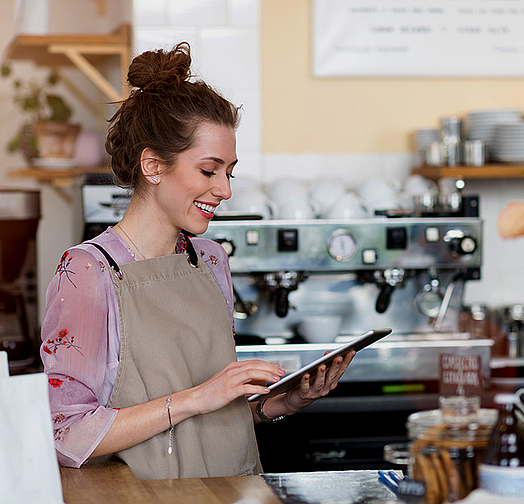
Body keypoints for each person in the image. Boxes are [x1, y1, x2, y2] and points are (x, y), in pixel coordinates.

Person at [39, 42, 355, 480]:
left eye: (230, 171)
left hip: (235, 489)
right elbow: (63, 434)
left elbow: (217, 413)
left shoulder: (209, 260)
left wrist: (280, 404)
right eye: (209, 171)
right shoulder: (87, 272)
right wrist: (194, 398)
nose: (224, 190)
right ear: (153, 165)